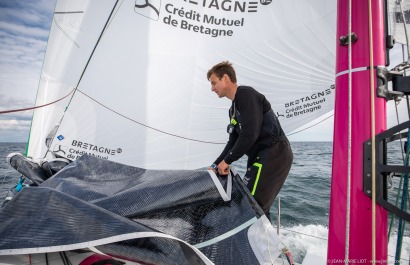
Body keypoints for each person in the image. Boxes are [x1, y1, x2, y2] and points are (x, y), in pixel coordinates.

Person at [207, 61, 293, 216]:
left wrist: (227, 161)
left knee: (250, 206)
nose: (212, 88)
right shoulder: (233, 110)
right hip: (259, 157)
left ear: (225, 78)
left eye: (214, 83)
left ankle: (255, 239)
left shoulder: (246, 94)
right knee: (251, 205)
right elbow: (232, 142)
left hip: (273, 153)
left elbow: (250, 134)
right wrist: (215, 164)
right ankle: (262, 239)